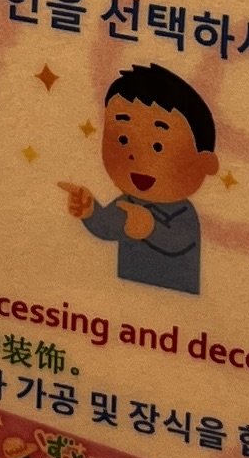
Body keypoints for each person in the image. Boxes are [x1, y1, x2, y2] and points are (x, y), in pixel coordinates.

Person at [61, 65, 219, 294]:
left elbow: (180, 242)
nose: (136, 156)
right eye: (123, 140)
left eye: (158, 146)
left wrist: (150, 229)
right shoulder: (128, 202)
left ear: (204, 163)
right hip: (125, 295)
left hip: (177, 298)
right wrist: (91, 212)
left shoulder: (183, 212)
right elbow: (107, 229)